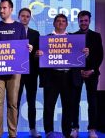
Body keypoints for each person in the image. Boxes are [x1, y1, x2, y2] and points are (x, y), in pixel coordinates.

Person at [37, 14, 88, 138]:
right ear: (54, 23)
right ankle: (49, 132)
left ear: (66, 24)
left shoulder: (74, 39)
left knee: (68, 106)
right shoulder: (46, 39)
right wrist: (38, 54)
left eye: (63, 21)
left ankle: (66, 132)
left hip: (69, 76)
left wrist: (85, 54)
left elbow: (79, 57)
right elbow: (39, 58)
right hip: (52, 76)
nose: (60, 23)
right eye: (58, 21)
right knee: (49, 106)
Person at [0, 0, 32, 138]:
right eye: (0, 8)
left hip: (15, 71)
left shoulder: (19, 27)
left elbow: (22, 48)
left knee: (13, 103)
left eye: (4, 8)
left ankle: (13, 134)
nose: (1, 10)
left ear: (11, 9)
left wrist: (28, 48)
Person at [70, 10, 103, 138]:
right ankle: (75, 128)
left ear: (89, 21)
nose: (83, 23)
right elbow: (71, 56)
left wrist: (92, 69)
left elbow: (100, 55)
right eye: (81, 21)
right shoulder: (73, 36)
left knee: (92, 102)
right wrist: (79, 70)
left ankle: (92, 129)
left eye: (86, 20)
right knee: (74, 101)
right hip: (77, 73)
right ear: (78, 21)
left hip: (92, 73)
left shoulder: (96, 36)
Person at [16, 8, 41, 137]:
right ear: (19, 17)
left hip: (31, 72)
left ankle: (33, 129)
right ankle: (12, 129)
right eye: (23, 16)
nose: (25, 18)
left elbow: (39, 53)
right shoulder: (13, 31)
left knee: (32, 102)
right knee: (15, 102)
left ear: (30, 18)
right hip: (16, 73)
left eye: (27, 16)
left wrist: (36, 53)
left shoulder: (35, 34)